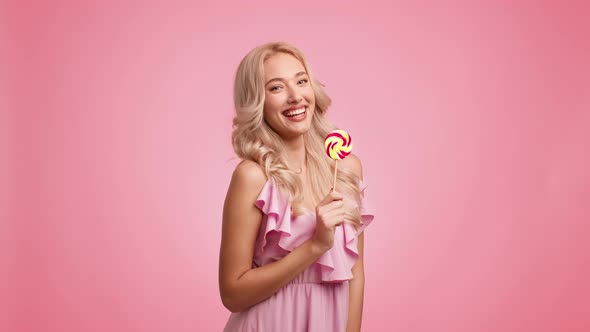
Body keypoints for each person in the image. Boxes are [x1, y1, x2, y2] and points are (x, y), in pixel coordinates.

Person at [219, 41, 374, 332]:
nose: (295, 97)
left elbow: (356, 271)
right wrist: (315, 245)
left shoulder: (346, 168)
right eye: (276, 88)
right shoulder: (253, 176)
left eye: (301, 81)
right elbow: (232, 294)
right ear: (257, 101)